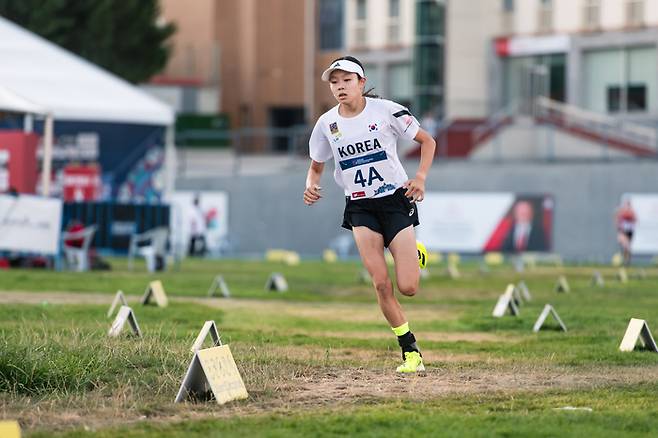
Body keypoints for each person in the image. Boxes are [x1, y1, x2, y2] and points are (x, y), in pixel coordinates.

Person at [303, 56, 436, 373]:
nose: (340, 87)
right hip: (359, 207)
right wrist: (311, 185)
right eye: (334, 82)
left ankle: (412, 251)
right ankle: (410, 351)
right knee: (380, 284)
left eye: (346, 80)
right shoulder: (326, 124)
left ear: (361, 83)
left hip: (393, 201)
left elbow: (427, 141)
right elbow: (316, 166)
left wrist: (420, 178)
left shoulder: (386, 110)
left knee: (409, 287)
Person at [615, 197, 636, 266]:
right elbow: (617, 219)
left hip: (629, 231)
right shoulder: (621, 211)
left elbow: (635, 219)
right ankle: (625, 260)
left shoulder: (631, 212)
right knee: (625, 246)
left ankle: (627, 261)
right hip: (623, 230)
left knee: (627, 247)